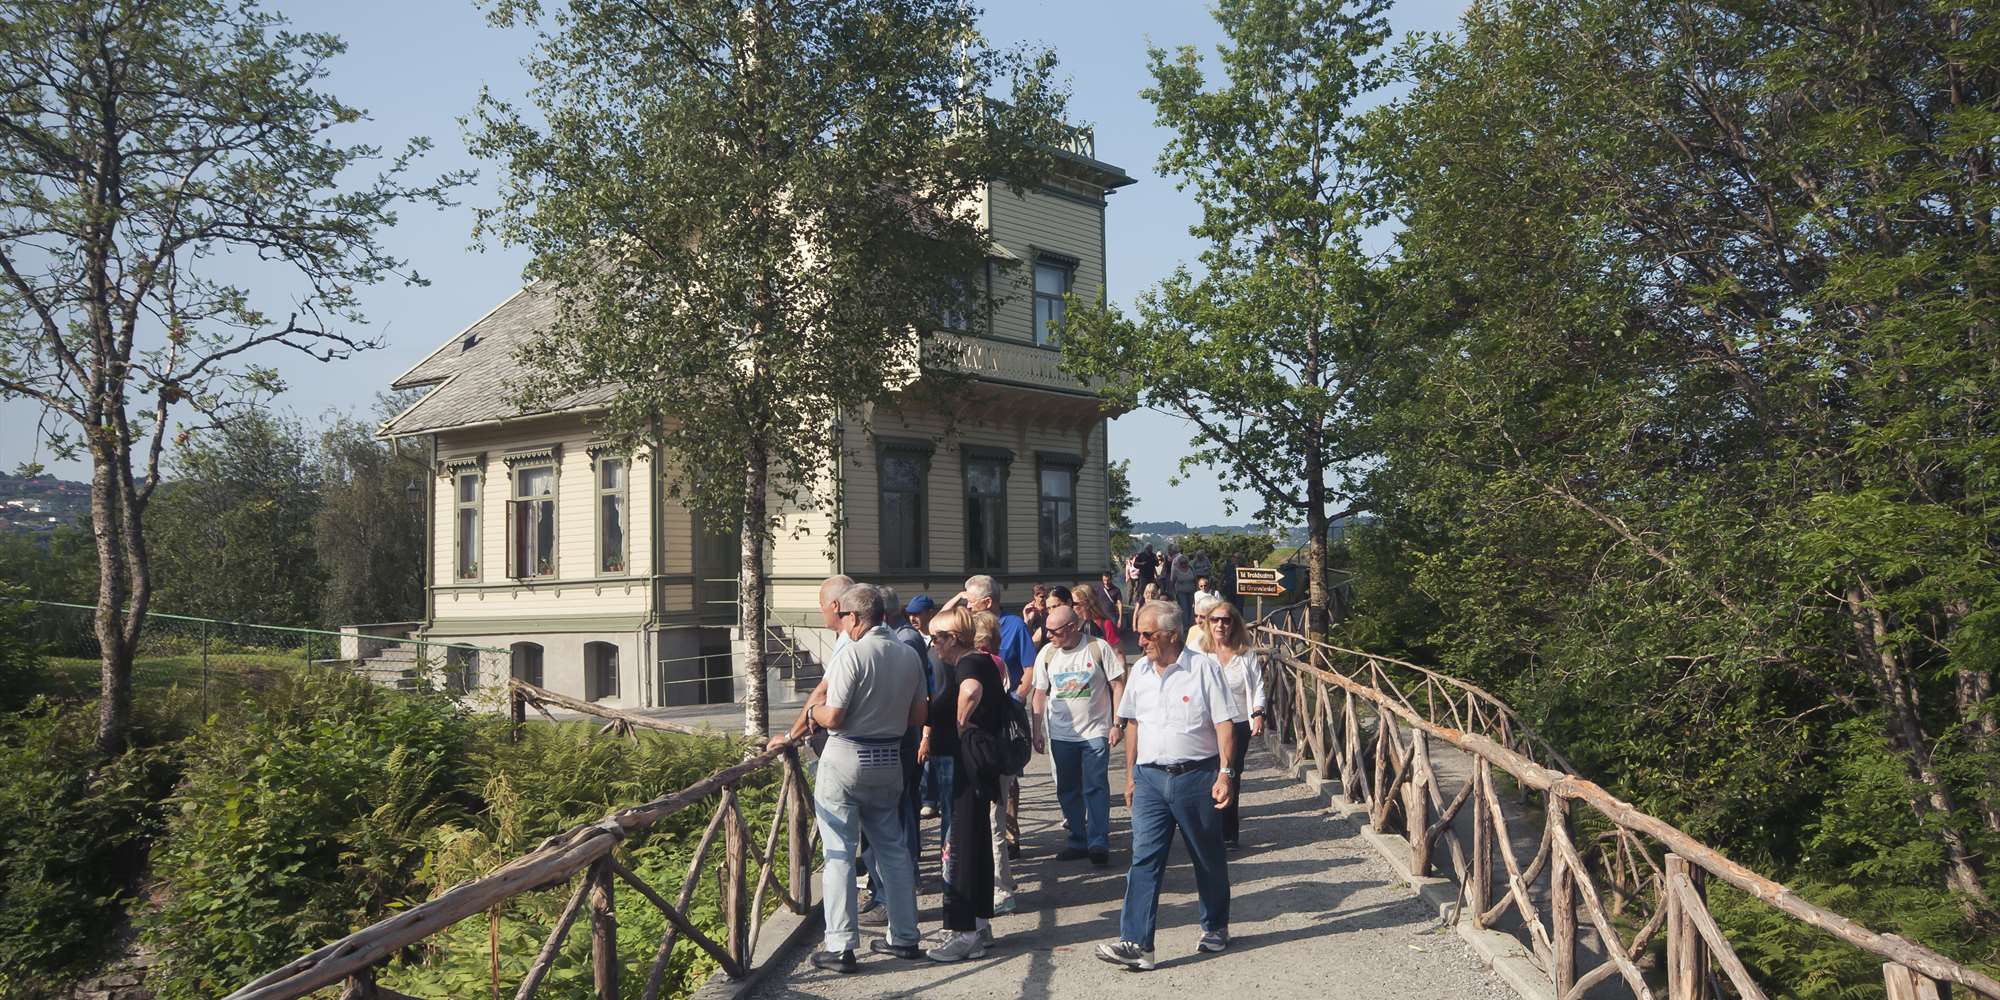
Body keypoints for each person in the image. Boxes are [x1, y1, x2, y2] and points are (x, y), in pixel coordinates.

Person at [771, 584, 929, 973]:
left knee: (839, 852)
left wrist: (813, 713)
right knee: (892, 848)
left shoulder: (852, 654)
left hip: (846, 758)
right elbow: (918, 715)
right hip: (889, 759)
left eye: (842, 616)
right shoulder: (908, 654)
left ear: (855, 617)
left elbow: (835, 716)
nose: (840, 622)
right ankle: (905, 936)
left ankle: (841, 946)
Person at [1096, 600, 1243, 973]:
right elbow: (1132, 724)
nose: (1140, 641)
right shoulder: (1140, 673)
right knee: (1144, 859)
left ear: (1173, 635)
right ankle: (1137, 944)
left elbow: (1224, 723)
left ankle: (1215, 925)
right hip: (1149, 778)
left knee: (1206, 856)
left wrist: (1225, 773)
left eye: (1147, 634)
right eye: (1139, 634)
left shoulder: (1204, 669)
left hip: (1196, 776)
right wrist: (1130, 775)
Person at [918, 609, 1008, 961]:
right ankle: (980, 926)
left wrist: (960, 723)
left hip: (966, 769)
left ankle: (965, 932)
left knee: (962, 846)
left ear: (953, 639)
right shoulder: (980, 661)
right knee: (975, 842)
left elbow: (970, 690)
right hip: (975, 767)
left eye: (937, 639)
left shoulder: (968, 664)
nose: (934, 646)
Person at [938, 575, 1035, 859]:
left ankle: (1010, 836)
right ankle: (986, 841)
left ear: (988, 602)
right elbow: (940, 624)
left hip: (1001, 716)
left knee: (1007, 780)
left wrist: (1017, 698)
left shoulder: (1013, 626)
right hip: (976, 720)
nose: (967, 605)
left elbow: (1029, 667)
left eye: (971, 601)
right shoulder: (965, 626)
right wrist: (958, 599)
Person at [1030, 605, 1124, 866]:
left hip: (1095, 732)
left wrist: (1117, 723)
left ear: (1072, 627)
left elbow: (1118, 684)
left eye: (1054, 631)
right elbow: (1039, 694)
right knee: (1068, 789)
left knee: (1095, 787)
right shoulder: (1047, 654)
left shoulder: (1098, 648)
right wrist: (1037, 730)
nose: (1049, 635)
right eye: (1047, 630)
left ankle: (1098, 843)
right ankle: (1078, 840)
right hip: (1061, 735)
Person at [1202, 600, 1265, 848]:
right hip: (1207, 725)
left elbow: (1258, 686)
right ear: (1208, 623)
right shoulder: (1199, 654)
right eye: (1215, 620)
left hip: (1238, 724)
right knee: (1208, 774)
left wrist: (1258, 713)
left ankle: (1228, 832)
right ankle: (1208, 829)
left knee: (1230, 774)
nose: (1220, 625)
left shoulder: (1245, 654)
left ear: (1233, 624)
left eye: (1225, 620)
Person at [971, 610, 1023, 895]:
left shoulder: (977, 664)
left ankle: (999, 886)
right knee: (997, 819)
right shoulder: (999, 663)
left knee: (989, 822)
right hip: (1001, 749)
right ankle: (1003, 880)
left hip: (984, 750)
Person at [1170, 547, 1197, 630]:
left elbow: (1195, 579)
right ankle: (1185, 626)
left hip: (1191, 591)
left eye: (1185, 562)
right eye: (1182, 563)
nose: (1184, 564)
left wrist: (1196, 589)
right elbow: (1172, 581)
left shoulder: (1191, 568)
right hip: (1181, 592)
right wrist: (1173, 592)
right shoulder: (1176, 570)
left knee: (1191, 609)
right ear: (1179, 563)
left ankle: (1189, 624)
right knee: (1184, 608)